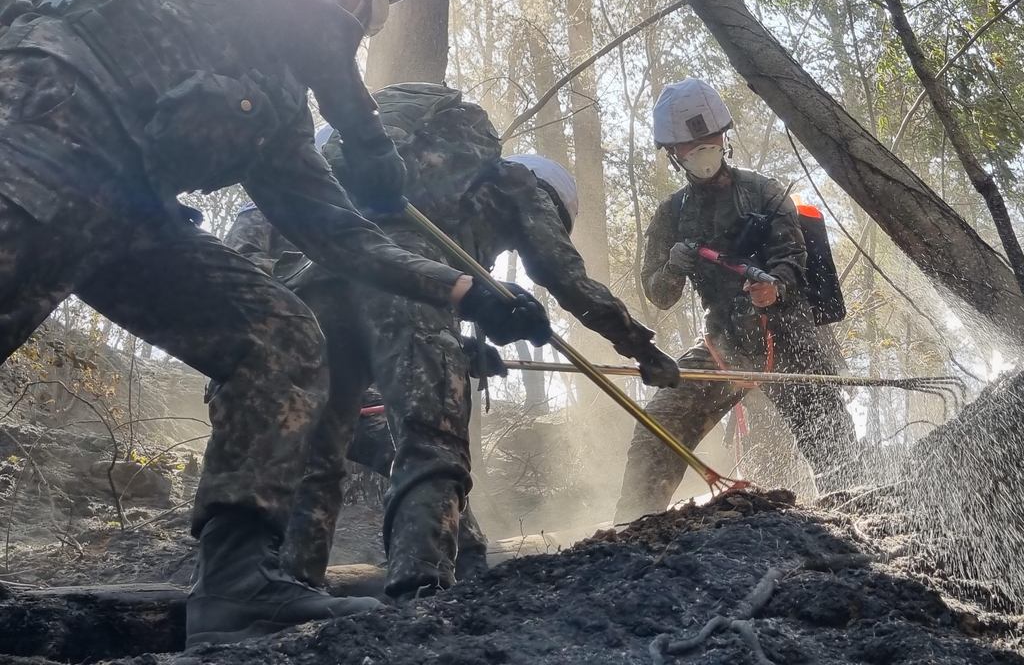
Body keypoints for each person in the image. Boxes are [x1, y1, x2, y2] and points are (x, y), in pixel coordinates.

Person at [0, 0, 550, 647]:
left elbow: (343, 238)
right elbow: (301, 5)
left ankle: (235, 587)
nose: (367, 4)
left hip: (130, 213)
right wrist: (365, 137)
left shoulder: (282, 108)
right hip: (44, 138)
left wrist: (469, 292)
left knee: (279, 334)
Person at [225, 82, 679, 600]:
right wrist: (640, 348)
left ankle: (290, 590)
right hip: (408, 280)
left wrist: (461, 348)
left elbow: (385, 333)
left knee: (323, 446)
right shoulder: (520, 185)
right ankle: (422, 592)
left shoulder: (447, 195)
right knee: (430, 438)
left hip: (330, 268)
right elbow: (569, 280)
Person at [614, 78, 857, 523]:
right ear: (673, 153)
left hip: (792, 338)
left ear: (724, 137)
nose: (701, 150)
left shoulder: (766, 192)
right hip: (723, 344)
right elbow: (659, 294)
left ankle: (860, 516)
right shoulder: (670, 215)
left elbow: (793, 258)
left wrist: (774, 286)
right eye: (689, 145)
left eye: (707, 140)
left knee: (830, 435)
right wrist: (674, 265)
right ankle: (629, 529)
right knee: (660, 424)